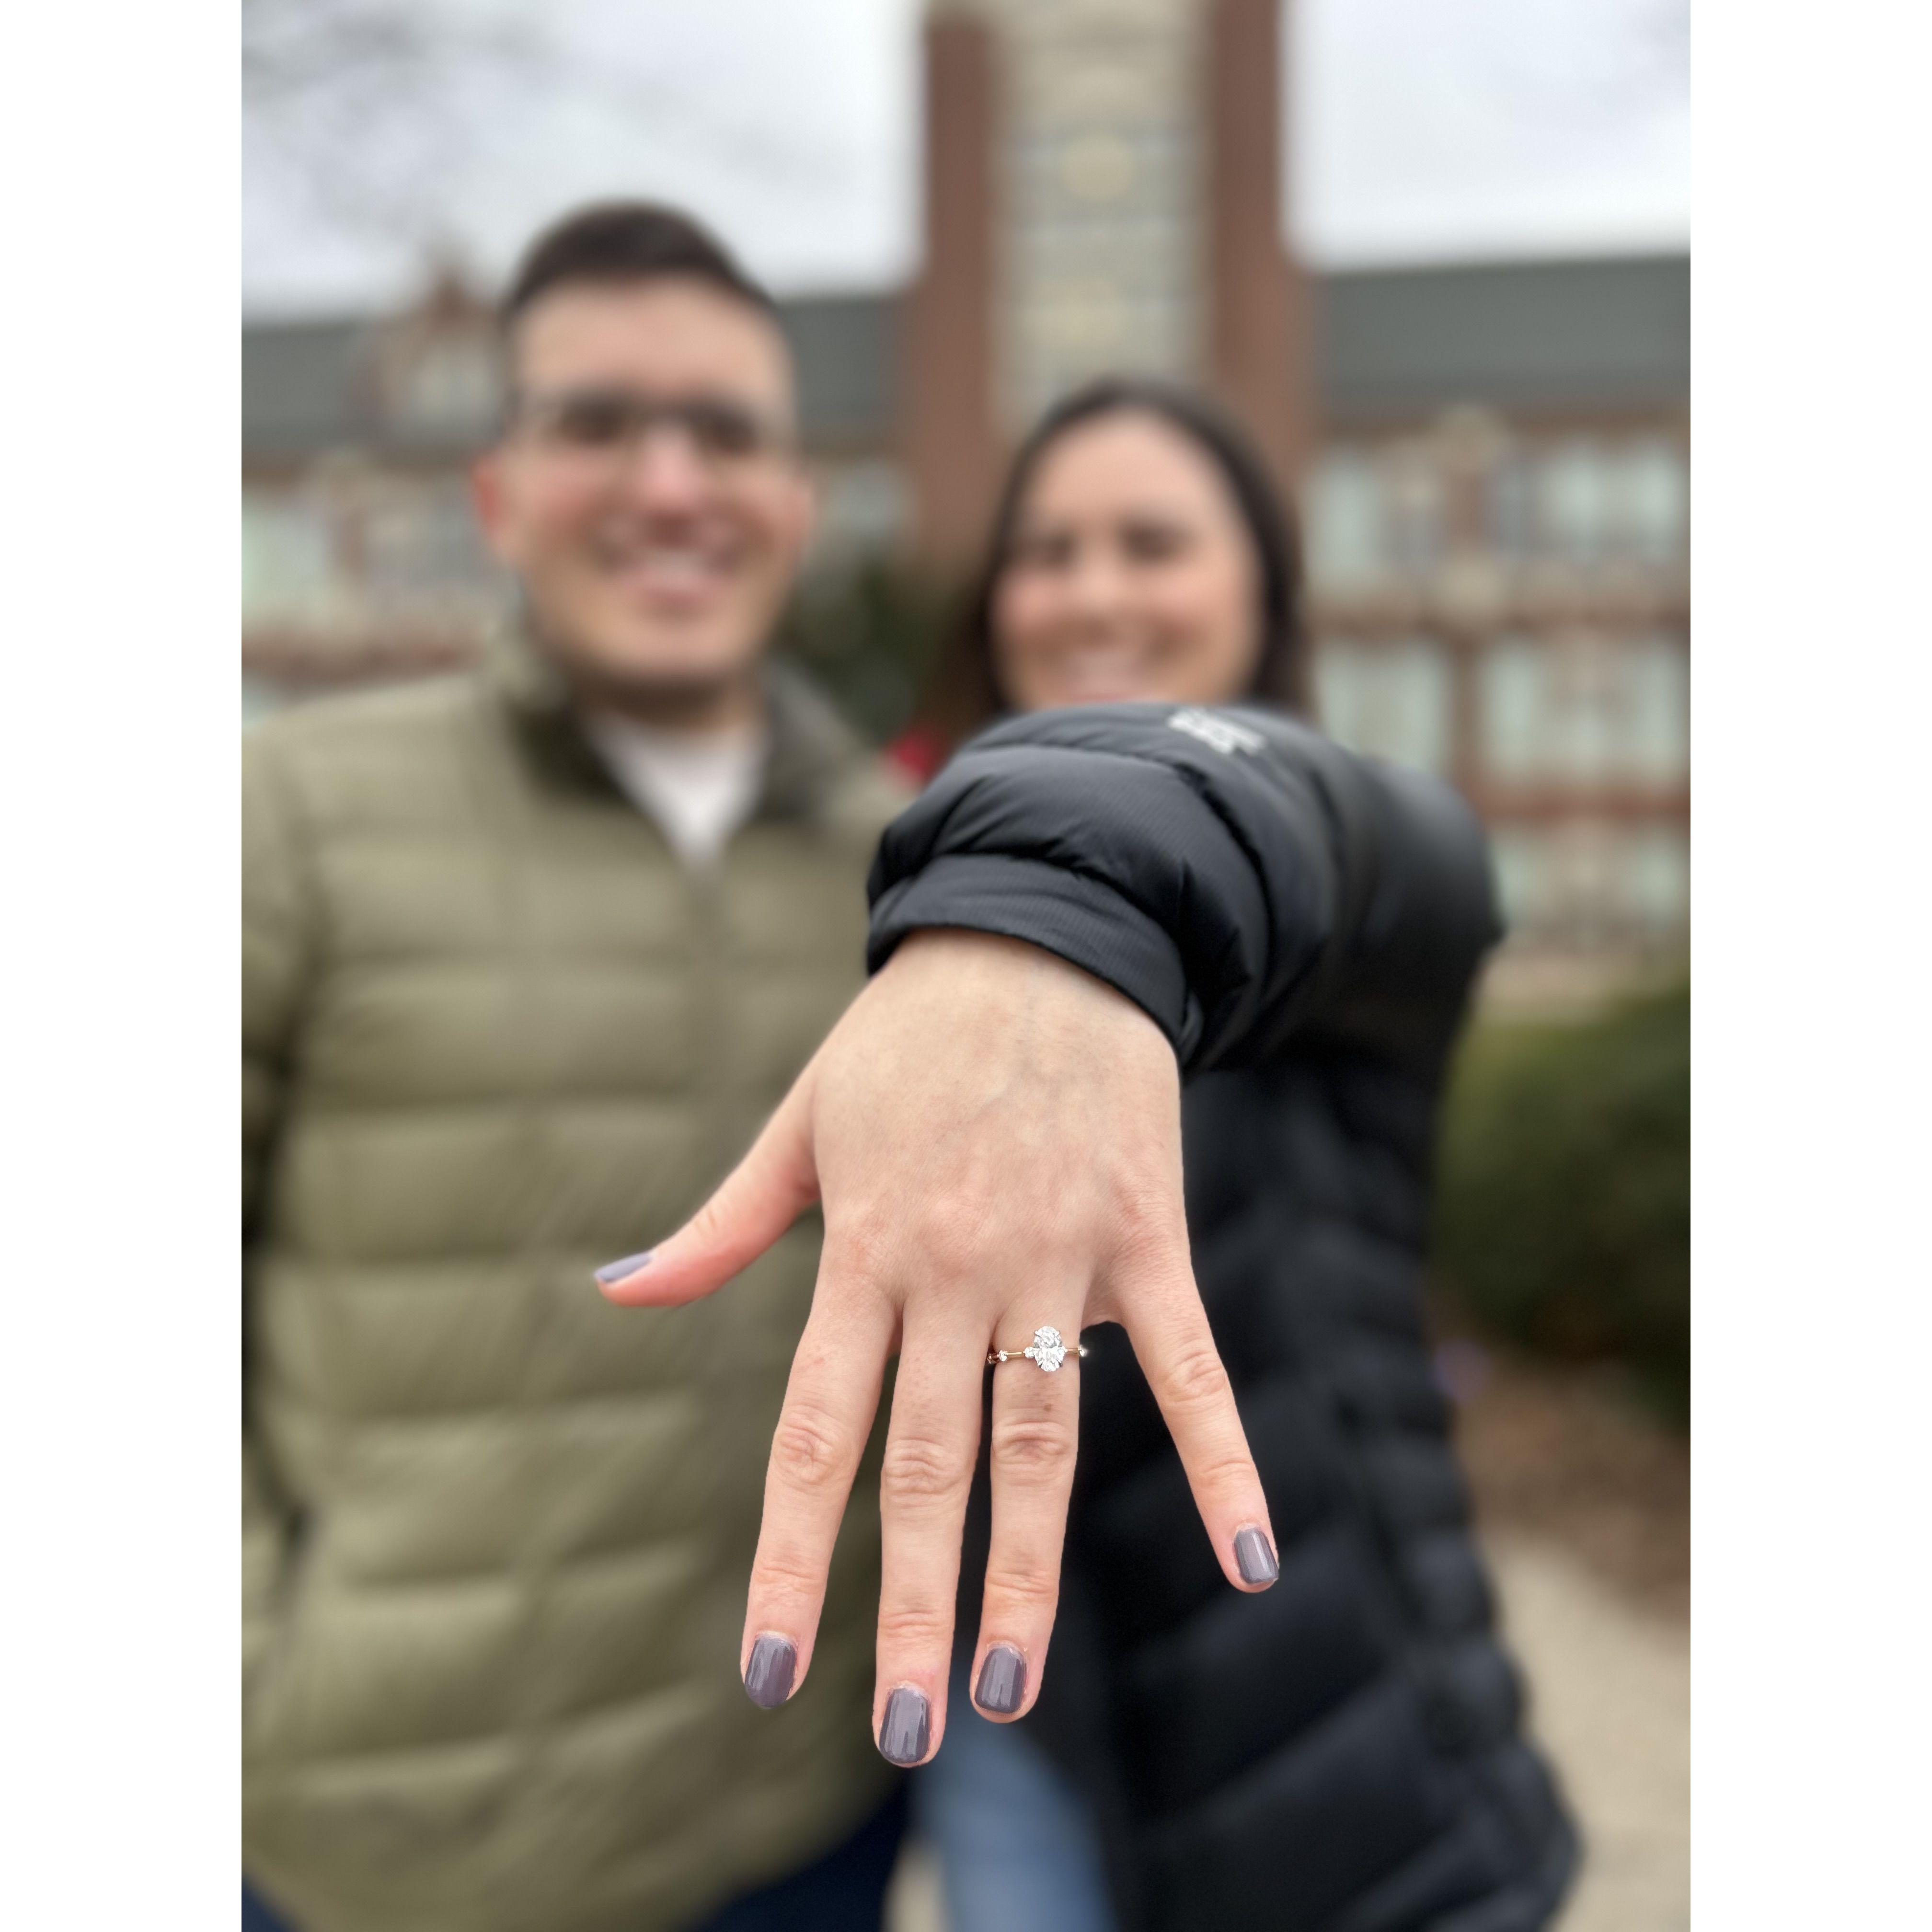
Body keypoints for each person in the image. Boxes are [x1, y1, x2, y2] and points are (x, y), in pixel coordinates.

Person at [600, 378, 1579, 1931]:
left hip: (1340, 1752)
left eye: (1153, 543)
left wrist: (1065, 909)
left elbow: (1323, 824)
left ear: (1264, 589)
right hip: (1022, 1742)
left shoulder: (1357, 854)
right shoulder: (908, 892)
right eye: (1046, 551)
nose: (1095, 591)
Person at [243, 202, 912, 1932]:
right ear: (498, 494)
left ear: (799, 502)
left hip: (801, 1820)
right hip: (383, 1850)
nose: (668, 486)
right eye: (596, 423)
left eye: (726, 434)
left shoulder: (910, 865)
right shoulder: (290, 814)